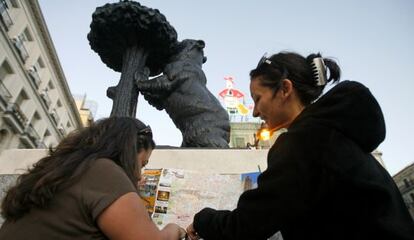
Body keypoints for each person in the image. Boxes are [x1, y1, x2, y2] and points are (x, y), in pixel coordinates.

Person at [187, 52, 414, 240]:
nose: (255, 111)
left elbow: (245, 226)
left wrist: (201, 218)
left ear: (285, 89)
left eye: (257, 99)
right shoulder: (334, 131)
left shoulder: (303, 143)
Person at [0, 117, 186, 240]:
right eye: (142, 164)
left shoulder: (70, 169)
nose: (139, 174)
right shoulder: (103, 171)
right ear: (128, 151)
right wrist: (174, 230)